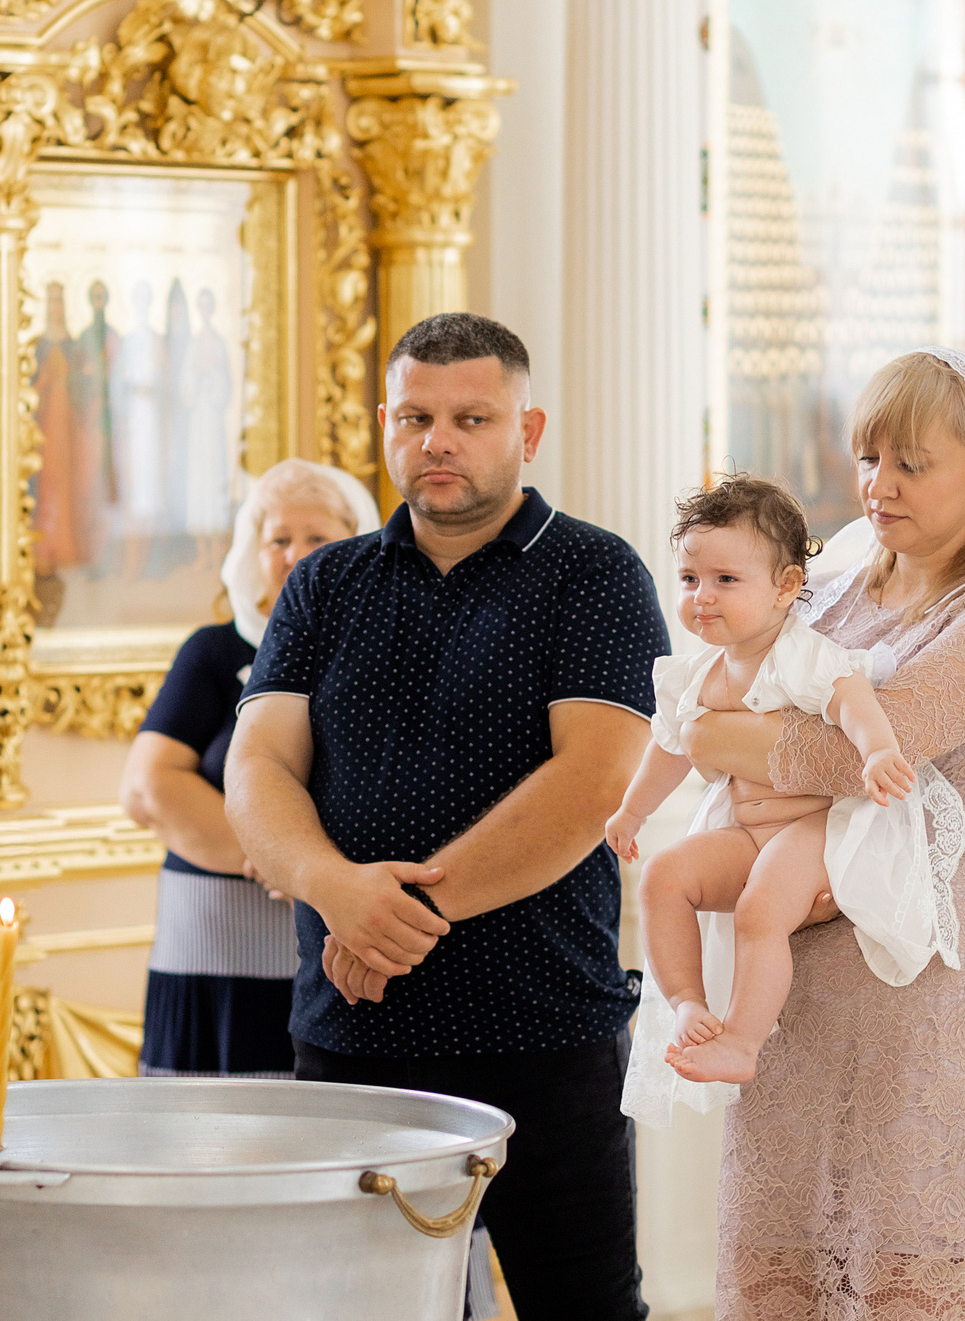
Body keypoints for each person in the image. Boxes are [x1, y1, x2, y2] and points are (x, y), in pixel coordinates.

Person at [227, 312, 667, 1320]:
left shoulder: (594, 574)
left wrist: (388, 926)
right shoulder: (324, 583)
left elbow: (590, 782)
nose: (439, 439)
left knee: (584, 1308)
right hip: (353, 1035)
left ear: (528, 430)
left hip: (544, 1026)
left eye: (472, 417)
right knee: (367, 1310)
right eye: (417, 415)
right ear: (385, 423)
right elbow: (257, 767)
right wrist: (339, 891)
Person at [678, 347, 965, 1319]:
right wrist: (728, 735)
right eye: (867, 457)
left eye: (909, 463)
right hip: (787, 993)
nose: (876, 485)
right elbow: (704, 714)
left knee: (903, 1280)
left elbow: (852, 754)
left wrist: (727, 735)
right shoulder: (830, 587)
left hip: (921, 997)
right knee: (778, 1276)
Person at [606, 476, 957, 1124]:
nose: (701, 596)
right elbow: (670, 745)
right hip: (745, 832)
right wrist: (633, 812)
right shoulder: (696, 673)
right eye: (688, 579)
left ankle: (741, 1039)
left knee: (761, 905)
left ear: (786, 587)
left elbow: (851, 697)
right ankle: (689, 1005)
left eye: (724, 580)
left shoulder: (796, 653)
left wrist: (878, 751)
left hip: (811, 830)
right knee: (664, 875)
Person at [119, 456, 377, 1080]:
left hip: (341, 940)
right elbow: (149, 788)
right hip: (214, 942)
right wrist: (281, 852)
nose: (296, 555)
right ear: (251, 553)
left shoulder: (383, 656)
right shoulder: (214, 652)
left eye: (318, 538)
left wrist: (307, 871)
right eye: (279, 539)